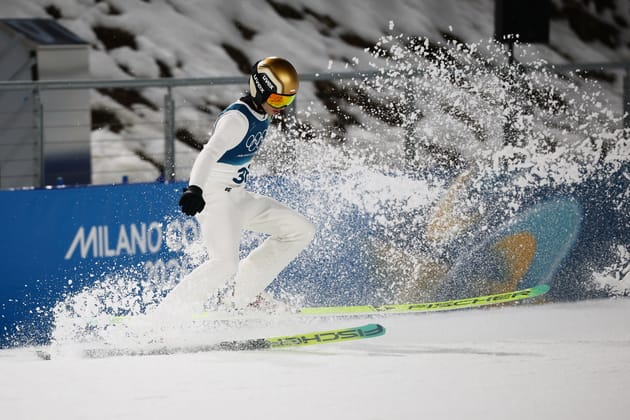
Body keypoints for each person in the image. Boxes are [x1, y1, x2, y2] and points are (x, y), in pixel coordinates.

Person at [155, 57, 315, 318]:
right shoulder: (237, 119)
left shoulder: (262, 111)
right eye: (277, 100)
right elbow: (209, 153)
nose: (282, 107)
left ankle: (241, 297)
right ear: (259, 90)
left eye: (287, 101)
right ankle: (159, 322)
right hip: (215, 198)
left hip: (238, 197)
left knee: (300, 231)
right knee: (223, 265)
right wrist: (194, 189)